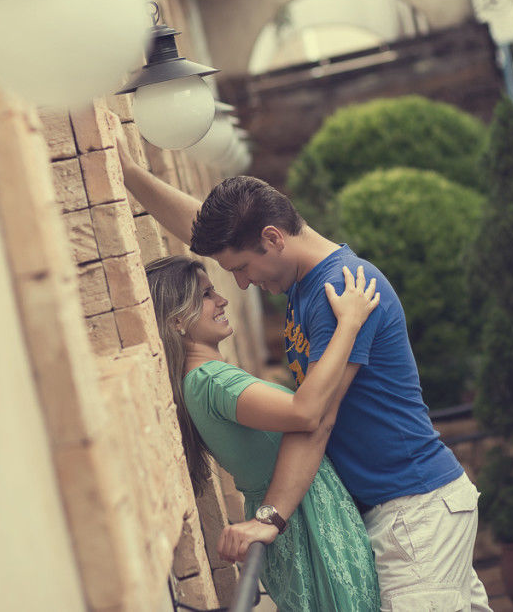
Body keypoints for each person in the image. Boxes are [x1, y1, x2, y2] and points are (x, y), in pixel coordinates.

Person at [119, 148, 491, 611]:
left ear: (272, 239)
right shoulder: (302, 278)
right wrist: (130, 173)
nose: (239, 284)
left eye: (239, 269)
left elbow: (314, 421)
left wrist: (268, 519)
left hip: (411, 512)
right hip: (399, 511)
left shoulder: (341, 290)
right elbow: (212, 231)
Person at [145, 255, 381, 611]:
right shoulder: (214, 382)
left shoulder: (199, 383)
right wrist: (349, 323)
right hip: (305, 520)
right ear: (178, 320)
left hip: (298, 516)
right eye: (207, 295)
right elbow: (306, 412)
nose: (222, 299)